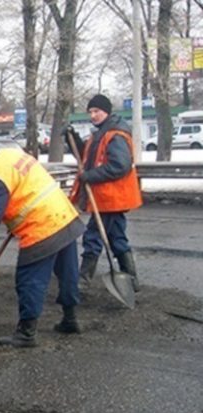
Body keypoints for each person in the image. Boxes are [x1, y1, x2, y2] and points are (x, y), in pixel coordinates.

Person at [0, 137, 85, 347]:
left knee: (29, 280)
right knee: (68, 273)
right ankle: (70, 318)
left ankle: (26, 333)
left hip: (42, 226)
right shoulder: (12, 155)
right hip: (65, 217)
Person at [67, 94, 142, 290]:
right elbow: (88, 155)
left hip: (111, 197)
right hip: (106, 198)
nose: (93, 115)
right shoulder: (100, 133)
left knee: (93, 237)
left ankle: (83, 281)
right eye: (90, 111)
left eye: (96, 111)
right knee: (116, 238)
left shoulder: (115, 135)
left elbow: (120, 166)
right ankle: (131, 280)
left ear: (106, 111)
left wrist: (90, 176)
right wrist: (72, 139)